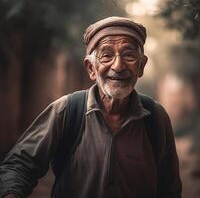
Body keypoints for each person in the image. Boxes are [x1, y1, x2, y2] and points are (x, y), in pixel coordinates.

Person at [0, 16, 182, 198]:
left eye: (128, 55)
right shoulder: (66, 110)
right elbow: (19, 165)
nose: (118, 66)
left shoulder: (155, 117)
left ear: (141, 66)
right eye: (106, 55)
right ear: (91, 68)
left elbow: (170, 188)